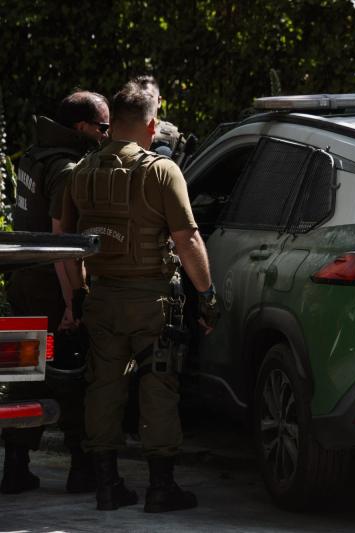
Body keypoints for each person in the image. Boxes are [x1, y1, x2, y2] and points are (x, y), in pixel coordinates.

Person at [60, 82, 219, 512]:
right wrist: (207, 297)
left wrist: (75, 300)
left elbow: (66, 243)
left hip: (102, 298)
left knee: (103, 389)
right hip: (152, 302)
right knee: (158, 387)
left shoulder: (81, 171)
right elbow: (187, 241)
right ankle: (161, 488)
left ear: (112, 121)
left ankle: (108, 486)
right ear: (151, 123)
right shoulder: (160, 171)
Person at [1, 90, 109, 495]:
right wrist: (72, 306)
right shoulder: (66, 168)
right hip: (53, 290)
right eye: (103, 126)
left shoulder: (33, 155)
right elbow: (63, 245)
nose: (107, 133)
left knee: (23, 376)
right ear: (82, 128)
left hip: (24, 283)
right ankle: (80, 468)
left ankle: (15, 466)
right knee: (71, 376)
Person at [131, 75, 188, 164]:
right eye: (139, 98)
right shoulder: (124, 131)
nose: (144, 102)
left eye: (148, 97)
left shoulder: (173, 136)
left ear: (159, 101)